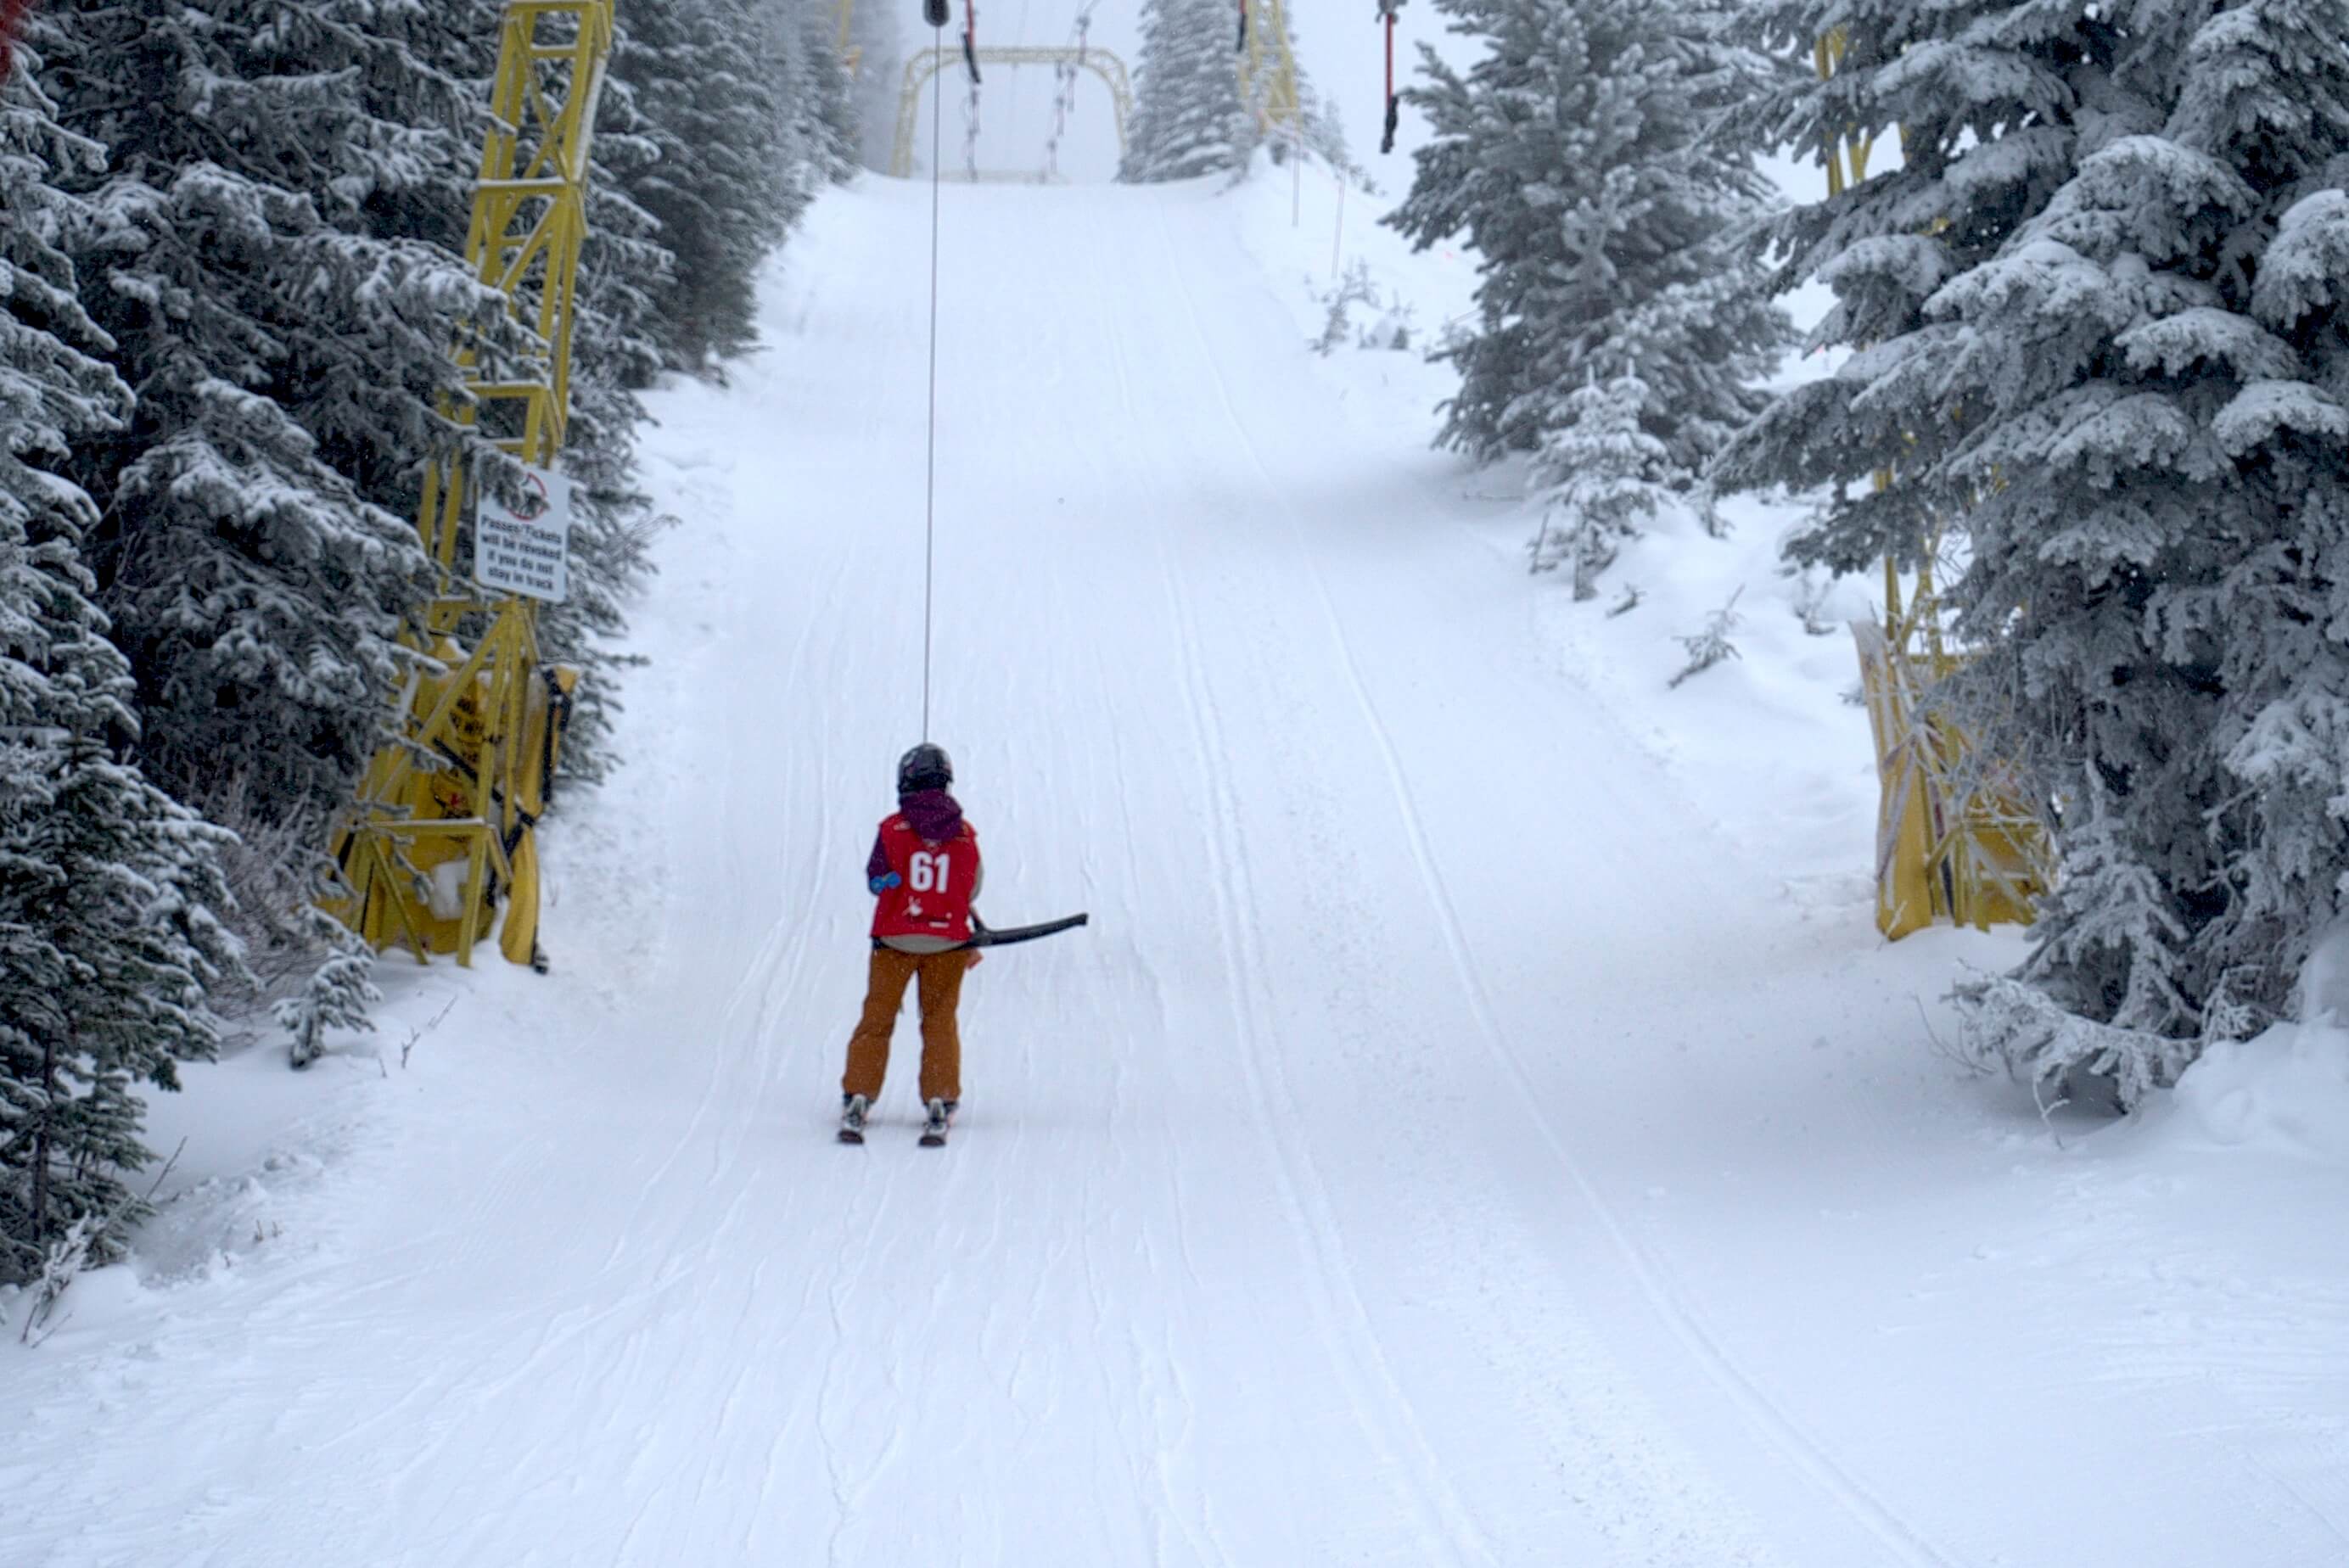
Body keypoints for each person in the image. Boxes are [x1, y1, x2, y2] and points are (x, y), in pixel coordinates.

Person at [838, 743, 981, 1142]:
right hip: (948, 944)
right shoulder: (966, 835)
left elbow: (875, 880)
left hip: (894, 941)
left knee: (877, 1018)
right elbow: (973, 885)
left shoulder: (891, 830)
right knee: (938, 1021)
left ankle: (859, 1093)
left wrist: (893, 884)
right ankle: (940, 1096)